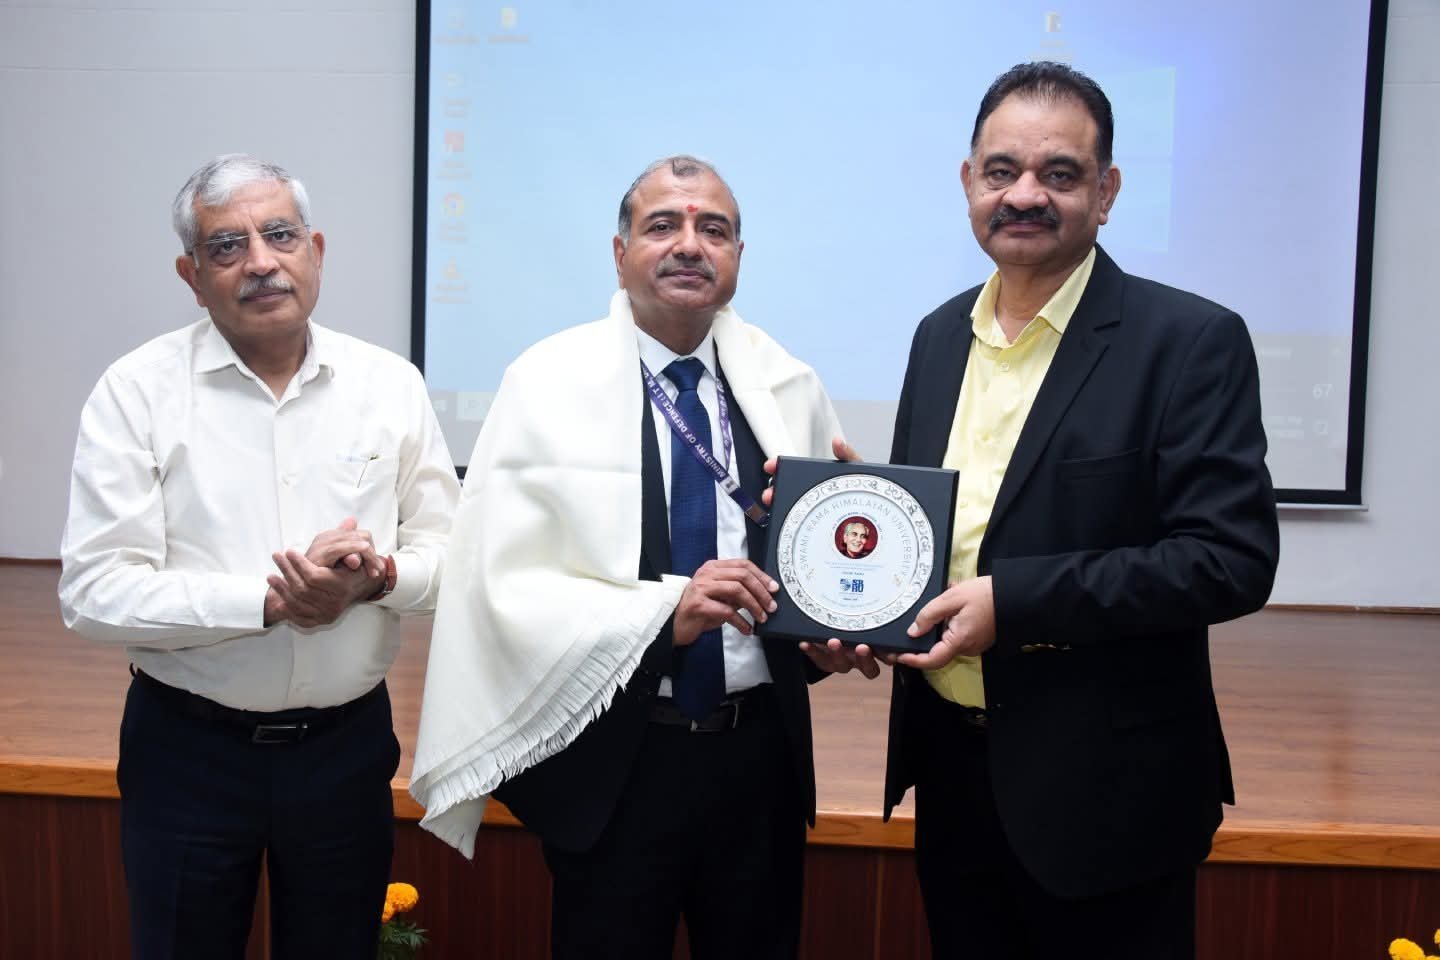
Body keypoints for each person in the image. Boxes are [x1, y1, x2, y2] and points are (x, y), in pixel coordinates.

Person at [409, 155, 859, 959]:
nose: (689, 245)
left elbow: (803, 578)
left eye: (712, 229)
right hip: (617, 758)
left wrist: (834, 625)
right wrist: (662, 617)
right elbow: (500, 586)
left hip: (758, 759)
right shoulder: (544, 383)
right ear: (620, 255)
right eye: (663, 226)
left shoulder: (788, 384)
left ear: (738, 257)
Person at [882, 63, 1280, 959]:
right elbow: (938, 534)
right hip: (952, 773)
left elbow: (1229, 560)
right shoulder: (938, 336)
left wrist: (1014, 603)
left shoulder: (1189, 341)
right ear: (969, 182)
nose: (1025, 195)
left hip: (1109, 797)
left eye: (1059, 173)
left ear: (1106, 193)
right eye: (1002, 171)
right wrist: (857, 579)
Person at [58, 154, 460, 960]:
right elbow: (94, 591)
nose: (261, 262)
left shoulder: (389, 385)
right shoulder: (136, 392)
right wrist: (269, 602)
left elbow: (453, 560)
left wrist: (376, 580)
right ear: (192, 275)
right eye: (227, 246)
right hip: (188, 753)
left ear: (316, 250)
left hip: (345, 751)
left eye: (280, 235)